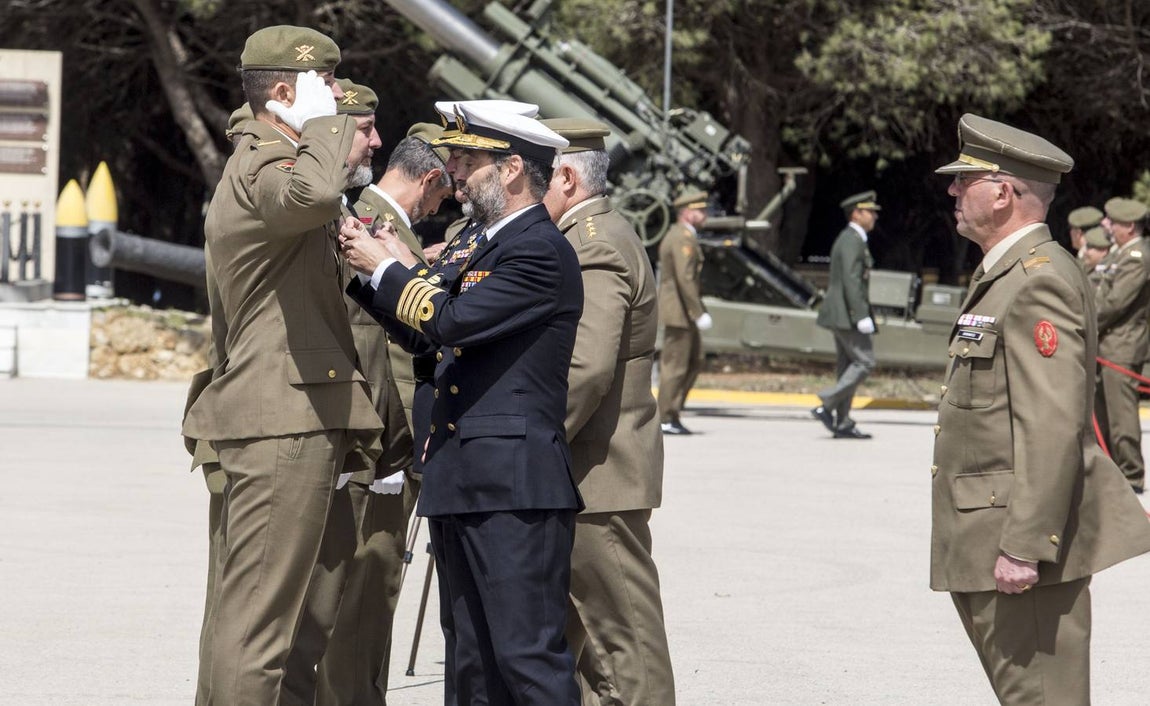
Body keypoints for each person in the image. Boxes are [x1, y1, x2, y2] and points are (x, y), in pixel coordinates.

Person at [339, 101, 583, 705]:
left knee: (527, 658)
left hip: (512, 486)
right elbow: (427, 335)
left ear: (511, 171)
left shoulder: (537, 249)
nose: (453, 170)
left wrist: (390, 268)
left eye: (468, 159)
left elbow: (452, 319)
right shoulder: (477, 242)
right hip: (463, 475)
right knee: (471, 661)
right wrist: (371, 274)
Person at [181, 26, 383, 705]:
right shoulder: (268, 163)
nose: (338, 102)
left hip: (287, 413)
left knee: (253, 622)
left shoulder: (266, 157)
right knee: (257, 629)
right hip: (281, 422)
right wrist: (325, 125)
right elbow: (312, 198)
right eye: (327, 86)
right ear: (285, 93)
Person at [930, 112, 1150, 704]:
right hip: (991, 536)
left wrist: (1023, 546)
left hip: (1018, 546)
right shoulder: (1009, 273)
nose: (951, 189)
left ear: (1001, 193)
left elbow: (1050, 426)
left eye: (963, 180)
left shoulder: (1036, 280)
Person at [316, 113, 454, 706]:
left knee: (375, 590)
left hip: (384, 440)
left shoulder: (387, 226)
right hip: (380, 445)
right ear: (428, 181)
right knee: (366, 591)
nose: (443, 205)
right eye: (447, 191)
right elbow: (376, 346)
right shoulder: (368, 225)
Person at [541, 117, 676, 705]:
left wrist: (530, 443)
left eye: (532, 177)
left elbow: (585, 369)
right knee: (588, 650)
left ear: (567, 178)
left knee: (625, 649)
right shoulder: (593, 234)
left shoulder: (592, 243)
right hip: (590, 474)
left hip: (599, 476)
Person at [811, 191, 880, 439]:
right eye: (869, 211)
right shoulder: (852, 240)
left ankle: (843, 422)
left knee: (847, 366)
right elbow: (852, 280)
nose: (873, 216)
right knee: (865, 362)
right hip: (847, 314)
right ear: (856, 213)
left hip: (842, 313)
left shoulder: (853, 238)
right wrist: (861, 314)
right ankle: (826, 403)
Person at [1093, 196, 1150, 495]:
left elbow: (1115, 303)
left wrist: (1084, 319)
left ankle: (1131, 475)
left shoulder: (1138, 256)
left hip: (1122, 348)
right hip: (1107, 346)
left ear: (1128, 226)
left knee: (1121, 417)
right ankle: (1112, 471)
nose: (1107, 225)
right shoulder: (1120, 254)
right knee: (1102, 415)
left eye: (1112, 222)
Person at [656, 190, 712, 435]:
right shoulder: (681, 238)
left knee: (695, 359)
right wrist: (698, 312)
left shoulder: (686, 236)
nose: (705, 215)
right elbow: (685, 279)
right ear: (688, 213)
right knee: (675, 366)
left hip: (683, 311)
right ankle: (665, 416)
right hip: (679, 312)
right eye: (701, 211)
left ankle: (673, 411)